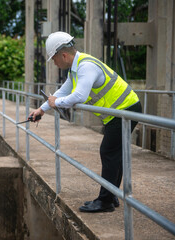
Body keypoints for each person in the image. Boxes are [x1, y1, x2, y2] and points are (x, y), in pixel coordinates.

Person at [29, 31, 142, 213]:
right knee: (114, 153)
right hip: (121, 112)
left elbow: (78, 96)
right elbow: (62, 91)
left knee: (109, 151)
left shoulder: (85, 67)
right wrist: (41, 109)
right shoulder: (76, 69)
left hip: (125, 110)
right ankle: (111, 196)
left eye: (54, 59)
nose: (54, 63)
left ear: (64, 55)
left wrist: (55, 103)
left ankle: (105, 200)